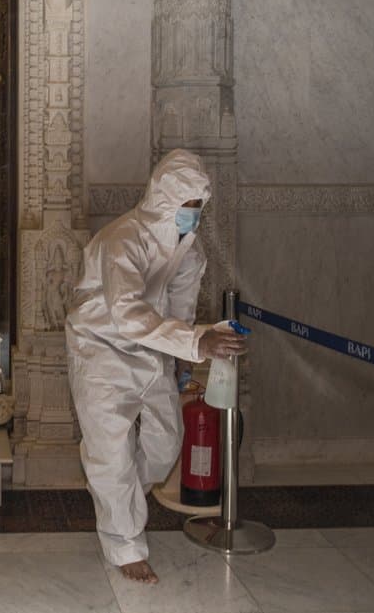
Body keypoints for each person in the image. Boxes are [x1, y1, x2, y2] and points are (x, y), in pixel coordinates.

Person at [65, 148, 247, 585]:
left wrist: (184, 361)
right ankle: (125, 544)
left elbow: (180, 307)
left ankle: (119, 491)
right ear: (165, 200)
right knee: (111, 451)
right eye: (188, 207)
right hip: (100, 349)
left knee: (167, 444)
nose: (194, 217)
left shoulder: (189, 249)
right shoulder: (121, 240)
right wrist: (195, 341)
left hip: (151, 350)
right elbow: (126, 312)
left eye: (199, 208)